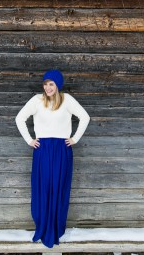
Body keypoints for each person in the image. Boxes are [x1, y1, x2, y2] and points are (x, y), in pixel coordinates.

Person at [15, 69, 90, 248]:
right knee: (43, 187)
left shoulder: (67, 100)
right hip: (42, 149)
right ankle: (42, 226)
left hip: (61, 150)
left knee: (58, 187)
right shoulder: (37, 101)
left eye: (51, 84)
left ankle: (56, 228)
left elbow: (85, 117)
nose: (48, 87)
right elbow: (19, 118)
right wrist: (29, 140)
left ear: (58, 85)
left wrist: (74, 139)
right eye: (46, 83)